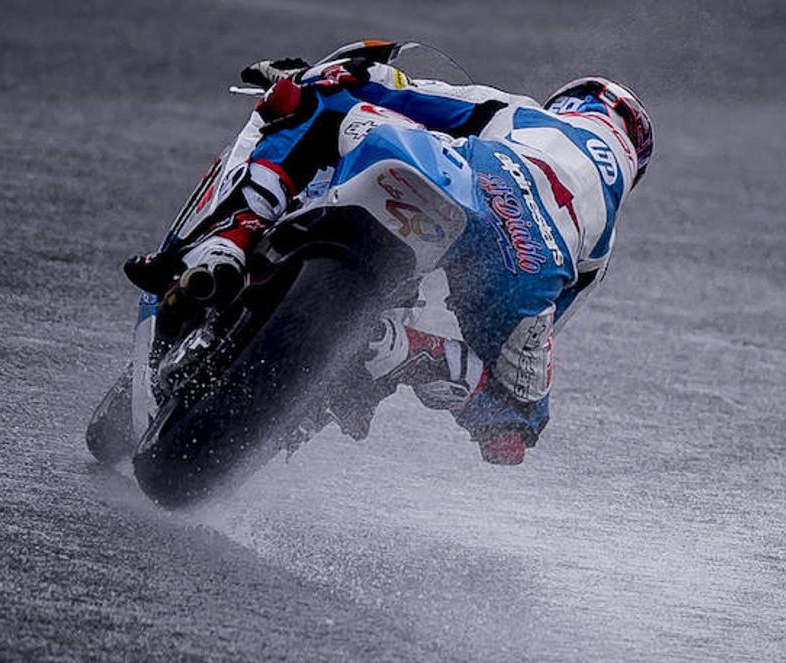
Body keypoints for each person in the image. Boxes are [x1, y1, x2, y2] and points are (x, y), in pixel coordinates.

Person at [125, 43, 653, 465]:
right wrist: (501, 404)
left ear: (570, 103)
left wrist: (318, 78)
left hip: (477, 182)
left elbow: (398, 90)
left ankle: (233, 238)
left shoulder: (522, 113)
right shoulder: (604, 245)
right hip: (535, 263)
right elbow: (545, 329)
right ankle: (406, 353)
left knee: (323, 103)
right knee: (513, 423)